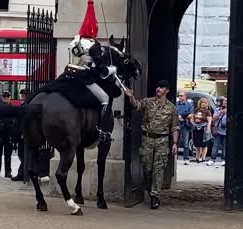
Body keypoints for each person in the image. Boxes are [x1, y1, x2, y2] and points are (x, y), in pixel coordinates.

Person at [66, 0, 118, 143]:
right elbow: (101, 69)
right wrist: (111, 69)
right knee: (105, 99)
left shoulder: (74, 41)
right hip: (83, 77)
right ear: (94, 29)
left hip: (68, 74)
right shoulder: (94, 45)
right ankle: (102, 131)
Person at [124, 80, 180, 209]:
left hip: (162, 140)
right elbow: (136, 106)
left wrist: (175, 143)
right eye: (157, 87)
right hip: (147, 139)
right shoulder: (148, 102)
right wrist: (130, 96)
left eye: (161, 87)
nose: (158, 89)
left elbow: (175, 127)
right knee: (147, 168)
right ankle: (149, 188)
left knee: (158, 169)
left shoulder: (172, 108)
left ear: (167, 90)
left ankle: (155, 196)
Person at [0, 90, 14, 178]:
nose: (6, 98)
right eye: (4, 96)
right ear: (1, 98)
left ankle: (8, 172)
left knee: (8, 155)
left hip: (9, 134)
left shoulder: (12, 108)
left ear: (10, 97)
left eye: (7, 96)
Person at [11, 89, 28, 181]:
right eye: (21, 94)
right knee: (21, 154)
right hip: (20, 133)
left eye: (24, 94)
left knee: (23, 154)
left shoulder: (26, 105)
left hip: (24, 134)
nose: (22, 96)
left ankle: (22, 173)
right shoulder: (23, 104)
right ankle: (24, 172)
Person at [188, 98, 212, 162]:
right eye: (202, 102)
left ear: (206, 104)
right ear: (200, 103)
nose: (203, 104)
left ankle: (203, 158)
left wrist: (208, 128)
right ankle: (197, 158)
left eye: (205, 103)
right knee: (197, 144)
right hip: (196, 128)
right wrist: (192, 121)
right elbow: (193, 117)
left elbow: (209, 121)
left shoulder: (207, 111)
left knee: (204, 144)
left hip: (203, 129)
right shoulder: (196, 110)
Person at [176, 90, 193, 165]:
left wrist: (182, 116)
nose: (180, 97)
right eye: (179, 95)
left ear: (185, 96)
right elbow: (172, 113)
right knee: (175, 142)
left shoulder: (189, 105)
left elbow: (191, 115)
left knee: (185, 143)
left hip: (185, 125)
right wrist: (178, 117)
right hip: (176, 125)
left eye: (181, 95)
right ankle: (174, 158)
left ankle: (186, 158)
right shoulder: (176, 104)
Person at [207, 102, 227, 167]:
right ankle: (212, 159)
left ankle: (224, 160)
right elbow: (214, 118)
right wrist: (221, 113)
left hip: (226, 131)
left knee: (225, 146)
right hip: (218, 131)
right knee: (215, 146)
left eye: (226, 101)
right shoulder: (218, 109)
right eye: (224, 101)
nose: (225, 102)